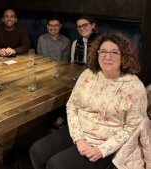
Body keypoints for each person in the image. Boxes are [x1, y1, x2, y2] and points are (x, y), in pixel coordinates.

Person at [30, 33, 147, 169]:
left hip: (104, 143)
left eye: (114, 52)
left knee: (56, 165)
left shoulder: (134, 87)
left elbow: (133, 127)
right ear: (97, 54)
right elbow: (72, 106)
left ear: (124, 56)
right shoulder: (88, 74)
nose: (107, 56)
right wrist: (79, 138)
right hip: (78, 131)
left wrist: (103, 149)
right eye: (103, 51)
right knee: (37, 151)